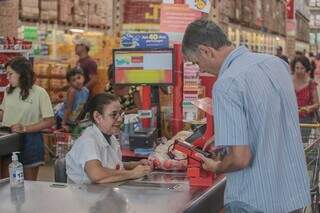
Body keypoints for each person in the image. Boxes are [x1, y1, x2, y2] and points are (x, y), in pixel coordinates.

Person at [182, 18, 310, 212]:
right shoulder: (277, 65)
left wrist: (216, 167)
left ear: (206, 51)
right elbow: (269, 119)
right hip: (293, 196)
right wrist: (228, 134)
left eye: (197, 63)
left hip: (255, 201)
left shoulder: (227, 84)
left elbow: (240, 159)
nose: (200, 70)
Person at [66, 93, 151, 184]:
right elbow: (97, 174)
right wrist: (132, 173)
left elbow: (111, 166)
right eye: (114, 115)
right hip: (84, 195)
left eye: (120, 114)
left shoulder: (111, 138)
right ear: (97, 117)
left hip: (102, 194)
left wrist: (133, 165)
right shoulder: (88, 141)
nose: (119, 119)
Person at [0, 56, 55, 180]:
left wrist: (24, 128)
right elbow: (4, 113)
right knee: (5, 183)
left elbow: (49, 121)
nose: (7, 77)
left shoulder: (40, 93)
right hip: (8, 139)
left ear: (22, 74)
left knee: (29, 186)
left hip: (31, 141)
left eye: (10, 74)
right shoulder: (8, 91)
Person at [292, 56, 320, 143]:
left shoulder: (311, 83)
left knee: (302, 144)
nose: (299, 71)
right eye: (297, 68)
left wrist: (308, 109)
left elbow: (317, 104)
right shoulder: (287, 82)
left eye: (302, 68)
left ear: (306, 69)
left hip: (305, 120)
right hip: (290, 117)